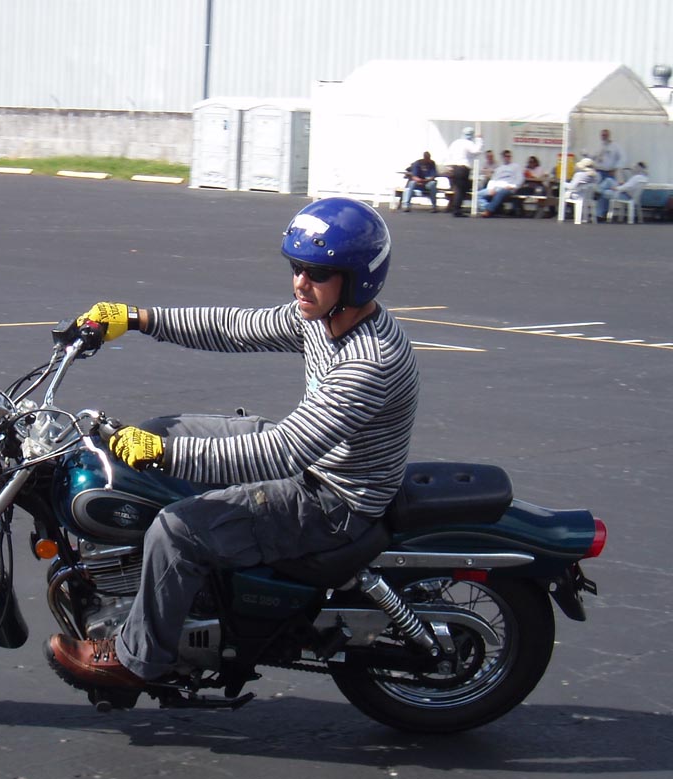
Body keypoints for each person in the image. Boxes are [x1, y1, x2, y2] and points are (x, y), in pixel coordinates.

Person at [45, 198, 420, 694]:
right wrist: (137, 318)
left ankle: (137, 660)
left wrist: (163, 454)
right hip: (312, 455)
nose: (300, 283)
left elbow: (283, 452)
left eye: (316, 273)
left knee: (176, 530)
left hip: (332, 499)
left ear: (356, 280)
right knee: (160, 430)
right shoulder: (321, 318)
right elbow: (234, 327)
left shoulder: (370, 361)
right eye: (296, 268)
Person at [443, 126, 482, 217]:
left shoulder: (455, 143)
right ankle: (457, 209)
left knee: (458, 189)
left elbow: (449, 155)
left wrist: (449, 167)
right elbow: (476, 151)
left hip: (454, 168)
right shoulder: (468, 143)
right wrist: (479, 140)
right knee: (461, 189)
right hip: (463, 168)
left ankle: (456, 207)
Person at [476, 149, 524, 217]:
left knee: (500, 193)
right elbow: (493, 179)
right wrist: (491, 188)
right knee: (478, 195)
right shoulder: (499, 168)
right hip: (496, 187)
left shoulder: (516, 166)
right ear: (502, 157)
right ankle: (486, 208)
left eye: (509, 156)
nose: (507, 158)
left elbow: (520, 178)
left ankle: (488, 211)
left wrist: (513, 186)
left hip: (508, 187)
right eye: (505, 156)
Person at [564, 157, 599, 221]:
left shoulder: (579, 175)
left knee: (564, 195)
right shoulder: (596, 175)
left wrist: (563, 183)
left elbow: (572, 186)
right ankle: (585, 217)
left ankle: (563, 214)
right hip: (589, 196)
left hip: (578, 196)